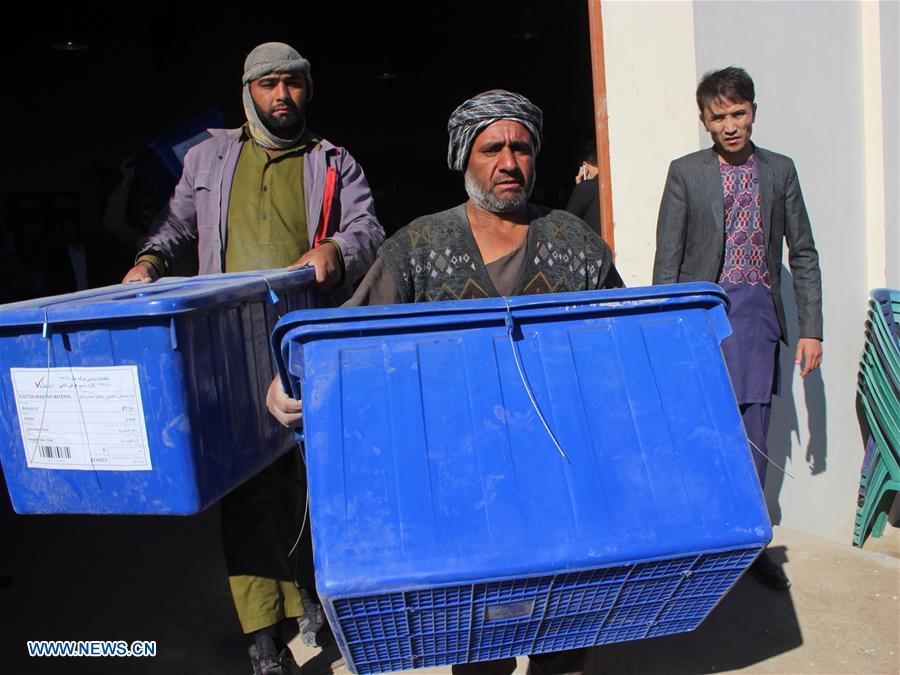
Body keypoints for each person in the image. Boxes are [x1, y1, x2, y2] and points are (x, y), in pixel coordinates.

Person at [268, 89, 623, 675]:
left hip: (562, 479)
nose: (508, 162)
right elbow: (347, 336)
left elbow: (622, 340)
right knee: (476, 642)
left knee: (563, 636)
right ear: (464, 158)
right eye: (492, 149)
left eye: (521, 148)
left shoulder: (575, 242)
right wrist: (291, 380)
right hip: (460, 486)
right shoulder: (419, 247)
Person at [122, 42, 384, 675]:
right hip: (225, 345)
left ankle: (310, 598)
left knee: (306, 475)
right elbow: (175, 225)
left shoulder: (332, 161)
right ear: (248, 92)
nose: (282, 95)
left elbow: (369, 228)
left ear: (307, 90)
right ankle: (262, 631)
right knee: (241, 485)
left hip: (300, 341)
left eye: (293, 83)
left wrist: (336, 252)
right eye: (270, 84)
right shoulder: (207, 158)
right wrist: (149, 262)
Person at [652, 66, 823, 590]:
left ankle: (750, 544)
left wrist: (812, 328)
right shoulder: (685, 173)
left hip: (757, 319)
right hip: (701, 319)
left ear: (753, 111)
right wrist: (664, 329)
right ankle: (700, 542)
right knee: (699, 426)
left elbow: (803, 252)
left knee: (753, 434)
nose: (730, 125)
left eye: (738, 113)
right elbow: (668, 259)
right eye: (719, 116)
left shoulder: (780, 171)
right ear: (704, 121)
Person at [564, 140, 601, 234]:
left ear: (585, 166)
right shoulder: (614, 183)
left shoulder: (586, 187)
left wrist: (581, 187)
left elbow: (567, 225)